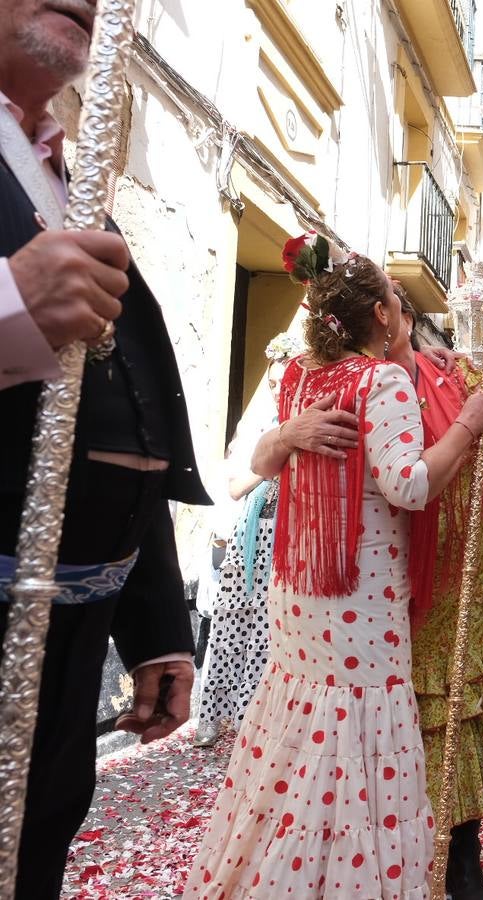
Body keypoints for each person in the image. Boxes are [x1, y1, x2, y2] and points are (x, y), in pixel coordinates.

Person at [184, 241, 483, 896]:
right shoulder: (379, 380)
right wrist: (469, 425)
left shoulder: (303, 375)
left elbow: (257, 464)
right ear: (382, 315)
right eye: (394, 293)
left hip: (305, 594)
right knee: (354, 752)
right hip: (360, 601)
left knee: (302, 743)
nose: (403, 302)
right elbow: (409, 487)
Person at [0, 6, 210, 893]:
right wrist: (7, 306)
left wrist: (156, 621)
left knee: (33, 848)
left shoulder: (57, 174)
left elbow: (116, 422)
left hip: (71, 627)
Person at [382, 295, 483, 900]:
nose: (392, 314)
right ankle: (392, 845)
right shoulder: (351, 378)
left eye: (399, 305)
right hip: (387, 572)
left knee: (460, 704)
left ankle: (462, 856)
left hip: (465, 566)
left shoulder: (457, 379)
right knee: (398, 710)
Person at [194, 333, 303, 746]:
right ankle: (212, 716)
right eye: (273, 384)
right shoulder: (261, 427)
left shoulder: (300, 425)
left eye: (284, 383)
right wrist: (279, 449)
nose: (278, 390)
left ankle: (249, 722)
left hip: (288, 538)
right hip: (251, 535)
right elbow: (237, 484)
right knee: (229, 622)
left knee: (268, 631)